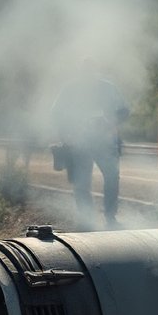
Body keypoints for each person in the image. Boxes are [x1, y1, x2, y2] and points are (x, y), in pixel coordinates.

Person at [51, 76, 128, 230]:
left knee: (109, 178)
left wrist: (111, 122)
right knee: (83, 182)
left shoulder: (106, 87)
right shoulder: (72, 87)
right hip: (81, 143)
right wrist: (66, 134)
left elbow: (124, 110)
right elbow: (56, 112)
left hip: (103, 142)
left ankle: (106, 218)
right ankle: (89, 219)